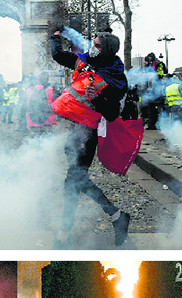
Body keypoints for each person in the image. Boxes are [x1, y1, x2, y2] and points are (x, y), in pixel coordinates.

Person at [49, 28, 131, 249]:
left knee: (73, 181)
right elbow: (58, 55)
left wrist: (98, 99)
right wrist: (55, 36)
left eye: (97, 45)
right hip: (75, 131)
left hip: (87, 135)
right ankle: (116, 216)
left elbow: (112, 113)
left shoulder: (115, 78)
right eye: (93, 43)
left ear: (107, 50)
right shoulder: (85, 62)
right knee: (74, 181)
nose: (92, 47)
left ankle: (64, 236)